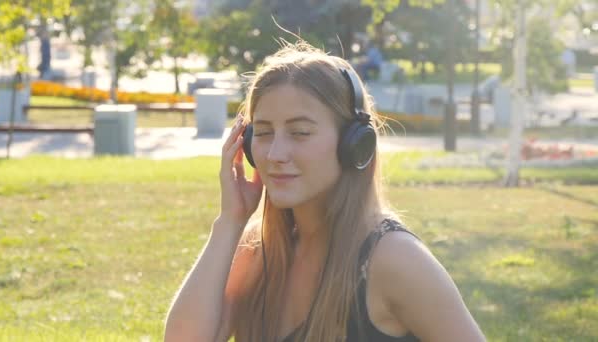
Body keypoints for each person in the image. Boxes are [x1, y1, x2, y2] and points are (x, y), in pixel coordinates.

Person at [164, 40, 485, 342]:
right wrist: (229, 222)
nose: (275, 153)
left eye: (300, 132)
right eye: (263, 132)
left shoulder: (393, 259)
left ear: (354, 145)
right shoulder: (258, 251)